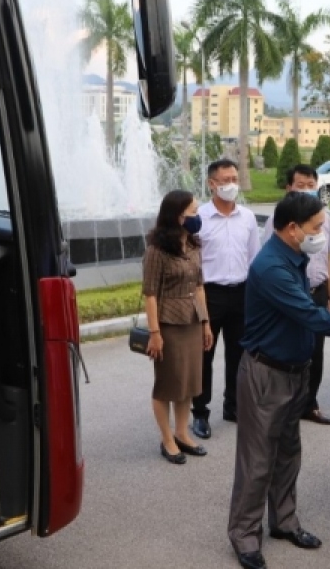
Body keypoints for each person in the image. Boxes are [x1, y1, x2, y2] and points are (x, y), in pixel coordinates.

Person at [226, 193, 330, 569]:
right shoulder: (272, 268)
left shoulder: (294, 257)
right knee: (257, 461)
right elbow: (313, 317)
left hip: (293, 372)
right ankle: (245, 535)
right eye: (317, 228)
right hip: (266, 374)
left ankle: (284, 522)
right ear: (291, 229)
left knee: (287, 454)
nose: (322, 233)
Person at [261, 164, 330, 425]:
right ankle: (284, 404)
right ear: (289, 188)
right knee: (288, 348)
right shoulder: (278, 220)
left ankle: (310, 403)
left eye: (311, 184)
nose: (307, 190)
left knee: (314, 351)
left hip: (317, 291)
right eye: (300, 185)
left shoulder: (323, 218)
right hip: (289, 293)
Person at [143, 191, 214, 464]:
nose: (198, 217)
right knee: (168, 384)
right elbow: (150, 293)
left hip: (193, 321)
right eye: (193, 213)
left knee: (187, 383)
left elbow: (199, 286)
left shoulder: (194, 245)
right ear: (177, 216)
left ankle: (182, 433)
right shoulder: (156, 250)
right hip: (168, 323)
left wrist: (206, 322)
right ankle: (167, 439)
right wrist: (155, 333)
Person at [192, 159, 261, 440]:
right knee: (203, 355)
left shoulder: (247, 217)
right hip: (209, 293)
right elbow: (191, 263)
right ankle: (200, 413)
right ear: (212, 184)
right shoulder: (199, 218)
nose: (231, 184)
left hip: (241, 292)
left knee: (239, 354)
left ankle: (233, 406)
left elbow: (255, 259)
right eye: (225, 180)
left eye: (235, 178)